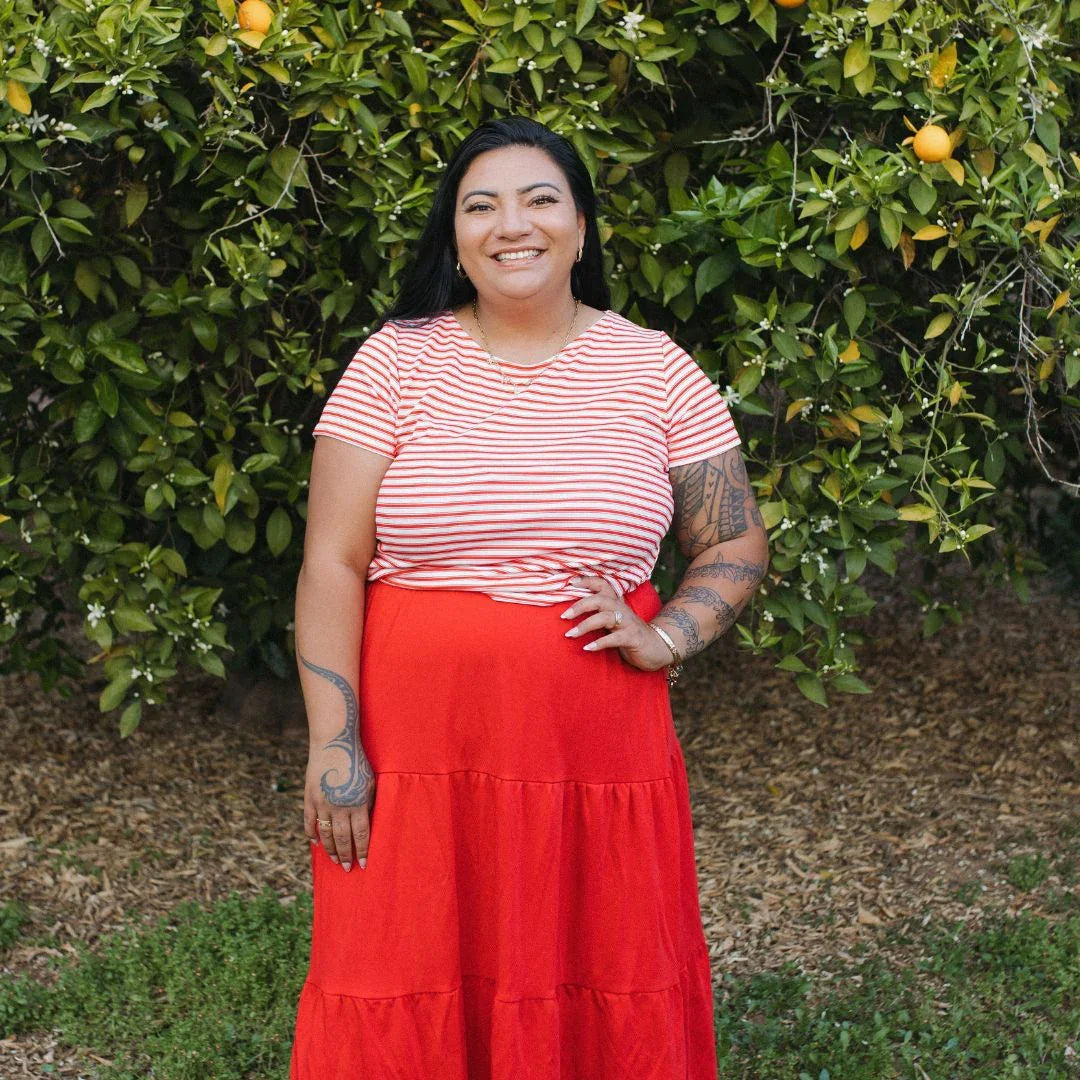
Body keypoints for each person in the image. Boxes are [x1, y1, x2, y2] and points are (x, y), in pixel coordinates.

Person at [289, 115, 769, 1080]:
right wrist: (334, 743)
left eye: (540, 198)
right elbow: (332, 562)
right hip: (418, 745)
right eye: (482, 206)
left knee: (599, 971)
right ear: (456, 238)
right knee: (399, 974)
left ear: (581, 228)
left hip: (593, 745)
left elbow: (734, 539)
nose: (514, 224)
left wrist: (667, 634)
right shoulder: (396, 361)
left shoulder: (655, 369)